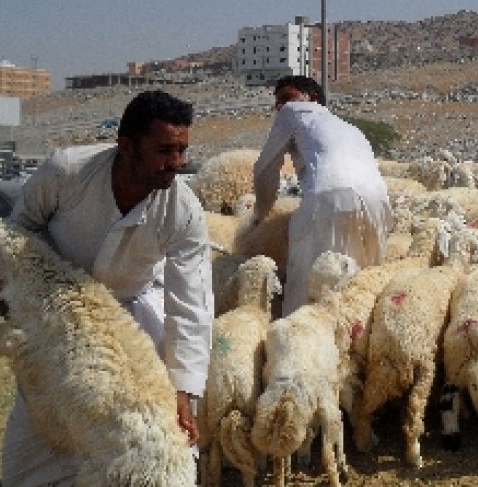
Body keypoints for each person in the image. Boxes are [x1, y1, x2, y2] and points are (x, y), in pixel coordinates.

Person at [2, 90, 214, 485]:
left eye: (182, 150)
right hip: (59, 318)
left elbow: (192, 302)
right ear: (127, 146)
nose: (178, 163)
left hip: (130, 318)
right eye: (165, 150)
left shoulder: (183, 210)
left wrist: (184, 389)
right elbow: (19, 230)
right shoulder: (67, 171)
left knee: (158, 439)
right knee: (33, 447)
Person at [253, 75, 392, 316]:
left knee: (308, 290)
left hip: (330, 199)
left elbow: (265, 167)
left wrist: (260, 214)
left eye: (285, 97)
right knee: (355, 286)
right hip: (378, 204)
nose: (280, 106)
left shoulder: (294, 112)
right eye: (277, 102)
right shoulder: (351, 127)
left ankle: (300, 345)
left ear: (312, 97)